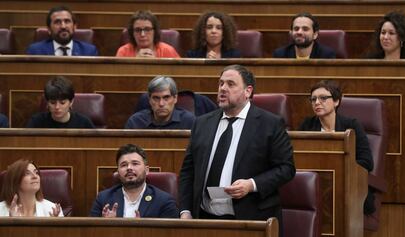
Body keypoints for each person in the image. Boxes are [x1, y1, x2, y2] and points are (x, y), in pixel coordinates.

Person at [178, 64, 295, 236]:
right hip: (204, 220)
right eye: (221, 83)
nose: (223, 89)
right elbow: (188, 171)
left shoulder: (269, 124)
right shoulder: (202, 123)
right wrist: (185, 211)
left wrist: (251, 185)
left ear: (248, 91)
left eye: (231, 84)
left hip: (249, 220)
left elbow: (286, 169)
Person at [298, 80, 375, 214]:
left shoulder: (352, 126)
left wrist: (339, 169)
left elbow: (367, 162)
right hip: (315, 185)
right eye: (313, 99)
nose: (317, 102)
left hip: (348, 186)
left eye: (323, 98)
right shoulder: (307, 125)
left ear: (336, 101)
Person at [90, 144, 179, 218]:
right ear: (118, 171)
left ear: (147, 170)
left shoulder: (164, 201)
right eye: (124, 165)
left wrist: (141, 230)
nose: (129, 168)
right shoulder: (103, 199)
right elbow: (90, 232)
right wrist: (106, 226)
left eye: (135, 164)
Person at [125, 76, 195, 129]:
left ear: (175, 98)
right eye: (156, 98)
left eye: (166, 98)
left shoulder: (189, 122)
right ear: (149, 100)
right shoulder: (136, 122)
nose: (161, 104)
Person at [26, 6, 98, 56]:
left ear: (74, 27)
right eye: (57, 22)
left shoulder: (89, 51)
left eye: (67, 21)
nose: (63, 26)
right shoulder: (35, 51)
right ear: (49, 29)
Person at [26, 76, 95, 128]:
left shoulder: (84, 123)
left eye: (62, 103)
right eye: (53, 103)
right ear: (47, 102)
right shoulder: (36, 122)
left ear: (71, 102)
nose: (57, 107)